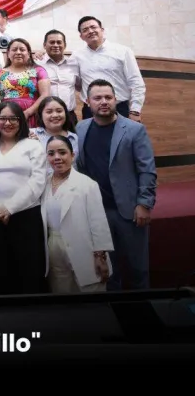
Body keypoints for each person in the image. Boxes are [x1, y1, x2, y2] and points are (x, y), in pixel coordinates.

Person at [75, 79, 156, 290]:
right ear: (87, 102)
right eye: (97, 98)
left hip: (129, 210)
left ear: (116, 100)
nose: (104, 102)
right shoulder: (81, 128)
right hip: (97, 212)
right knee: (109, 271)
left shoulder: (134, 129)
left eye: (108, 97)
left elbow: (147, 169)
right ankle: (115, 316)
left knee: (138, 268)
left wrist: (144, 203)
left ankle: (144, 313)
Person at [0, 101, 47, 295]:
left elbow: (38, 180)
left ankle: (27, 320)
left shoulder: (32, 145)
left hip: (26, 216)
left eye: (13, 118)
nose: (8, 123)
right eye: (3, 118)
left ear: (21, 121)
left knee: (26, 270)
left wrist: (10, 208)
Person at [41, 136, 113, 293]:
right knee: (62, 295)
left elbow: (98, 221)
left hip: (84, 244)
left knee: (90, 295)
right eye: (51, 154)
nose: (57, 158)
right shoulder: (43, 184)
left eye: (62, 152)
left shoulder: (87, 184)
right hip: (54, 246)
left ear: (72, 155)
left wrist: (100, 255)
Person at [0, 38, 51, 128]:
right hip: (6, 118)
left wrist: (28, 112)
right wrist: (3, 113)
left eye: (22, 50)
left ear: (29, 53)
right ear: (8, 54)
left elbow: (45, 95)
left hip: (32, 115)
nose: (18, 52)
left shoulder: (38, 70)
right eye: (14, 50)